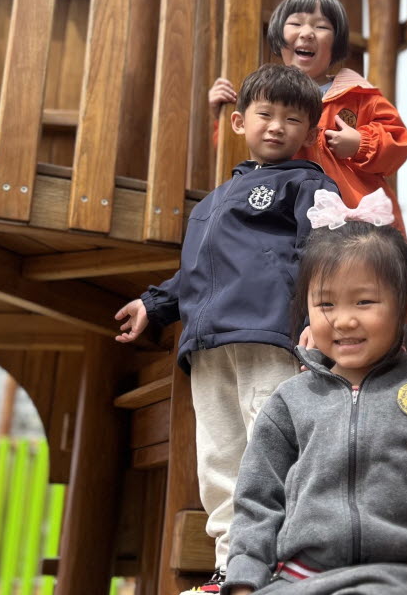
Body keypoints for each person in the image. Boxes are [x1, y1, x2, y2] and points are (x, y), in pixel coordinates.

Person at [114, 64, 340, 594]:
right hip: (208, 345)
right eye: (265, 114)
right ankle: (231, 567)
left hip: (269, 335)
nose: (277, 126)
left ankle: (287, 562)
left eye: (292, 119)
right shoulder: (215, 200)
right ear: (239, 121)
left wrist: (315, 318)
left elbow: (321, 254)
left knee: (273, 449)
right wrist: (155, 304)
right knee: (219, 459)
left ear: (308, 133)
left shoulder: (308, 184)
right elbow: (197, 273)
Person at [222, 189, 407, 595]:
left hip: (398, 577)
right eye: (326, 304)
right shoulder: (290, 401)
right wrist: (246, 579)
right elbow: (258, 500)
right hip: (298, 579)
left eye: (365, 301)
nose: (344, 320)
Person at [209, 0, 407, 237]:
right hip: (286, 218)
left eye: (321, 26)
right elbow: (242, 148)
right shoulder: (265, 97)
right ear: (278, 36)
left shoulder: (359, 95)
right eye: (296, 23)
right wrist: (220, 112)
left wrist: (361, 143)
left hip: (352, 223)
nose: (307, 33)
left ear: (335, 43)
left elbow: (399, 143)